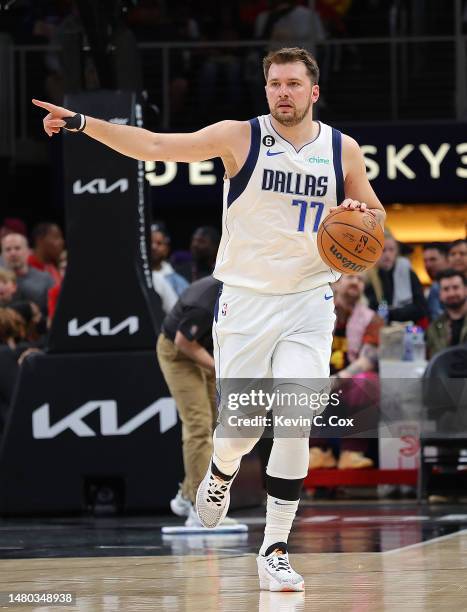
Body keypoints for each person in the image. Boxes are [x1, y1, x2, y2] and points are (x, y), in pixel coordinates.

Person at [32, 46, 386, 592]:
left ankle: (274, 549)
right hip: (244, 302)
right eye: (274, 84)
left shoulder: (343, 150)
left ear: (313, 92)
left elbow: (375, 213)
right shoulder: (238, 137)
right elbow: (153, 146)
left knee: (293, 420)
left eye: (293, 84)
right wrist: (82, 122)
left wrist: (364, 214)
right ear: (266, 89)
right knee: (239, 433)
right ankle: (219, 473)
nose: (283, 92)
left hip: (308, 302)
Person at [157, 276, 235, 528]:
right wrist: (221, 370)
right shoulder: (205, 301)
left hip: (204, 351)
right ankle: (199, 510)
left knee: (216, 429)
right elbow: (183, 342)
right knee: (199, 427)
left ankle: (185, 494)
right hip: (178, 353)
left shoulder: (241, 291)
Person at [310, 273, 383, 471]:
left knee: (367, 381)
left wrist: (337, 379)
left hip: (350, 381)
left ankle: (352, 453)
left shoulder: (372, 319)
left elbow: (368, 360)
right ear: (336, 283)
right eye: (350, 277)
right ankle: (316, 452)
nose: (355, 282)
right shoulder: (317, 312)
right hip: (319, 374)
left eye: (360, 280)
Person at [366, 230, 428, 325]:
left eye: (391, 250)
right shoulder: (367, 277)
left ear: (397, 252)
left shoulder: (407, 272)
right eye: (383, 250)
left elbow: (421, 307)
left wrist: (391, 313)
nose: (387, 255)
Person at [1, 233, 55, 315]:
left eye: (17, 248)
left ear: (28, 252)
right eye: (8, 249)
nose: (13, 253)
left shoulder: (45, 279)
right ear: (2, 255)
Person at [426, 269, 467, 358]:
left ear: (465, 290)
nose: (451, 293)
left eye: (455, 287)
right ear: (440, 294)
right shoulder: (434, 328)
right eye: (446, 289)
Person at [150, 224, 189, 315]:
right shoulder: (135, 274)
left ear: (167, 249)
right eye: (150, 242)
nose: (153, 247)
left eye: (159, 243)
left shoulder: (178, 282)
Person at [423, 243, 449, 320]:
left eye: (433, 259)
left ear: (447, 259)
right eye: (425, 261)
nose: (428, 265)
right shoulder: (432, 287)